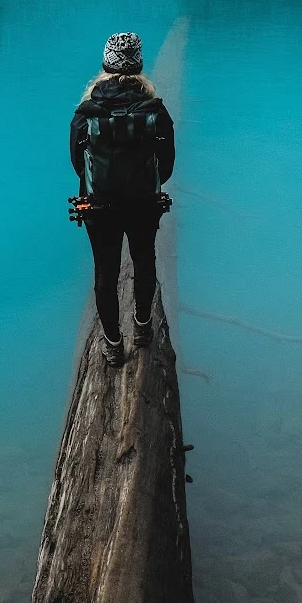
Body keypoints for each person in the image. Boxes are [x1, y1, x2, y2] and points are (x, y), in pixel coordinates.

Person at [70, 32, 175, 366]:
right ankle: (143, 328)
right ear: (139, 66)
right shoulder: (156, 112)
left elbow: (77, 165)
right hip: (144, 204)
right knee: (144, 262)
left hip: (99, 207)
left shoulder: (85, 114)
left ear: (105, 65)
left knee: (105, 271)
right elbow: (167, 166)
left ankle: (113, 345)